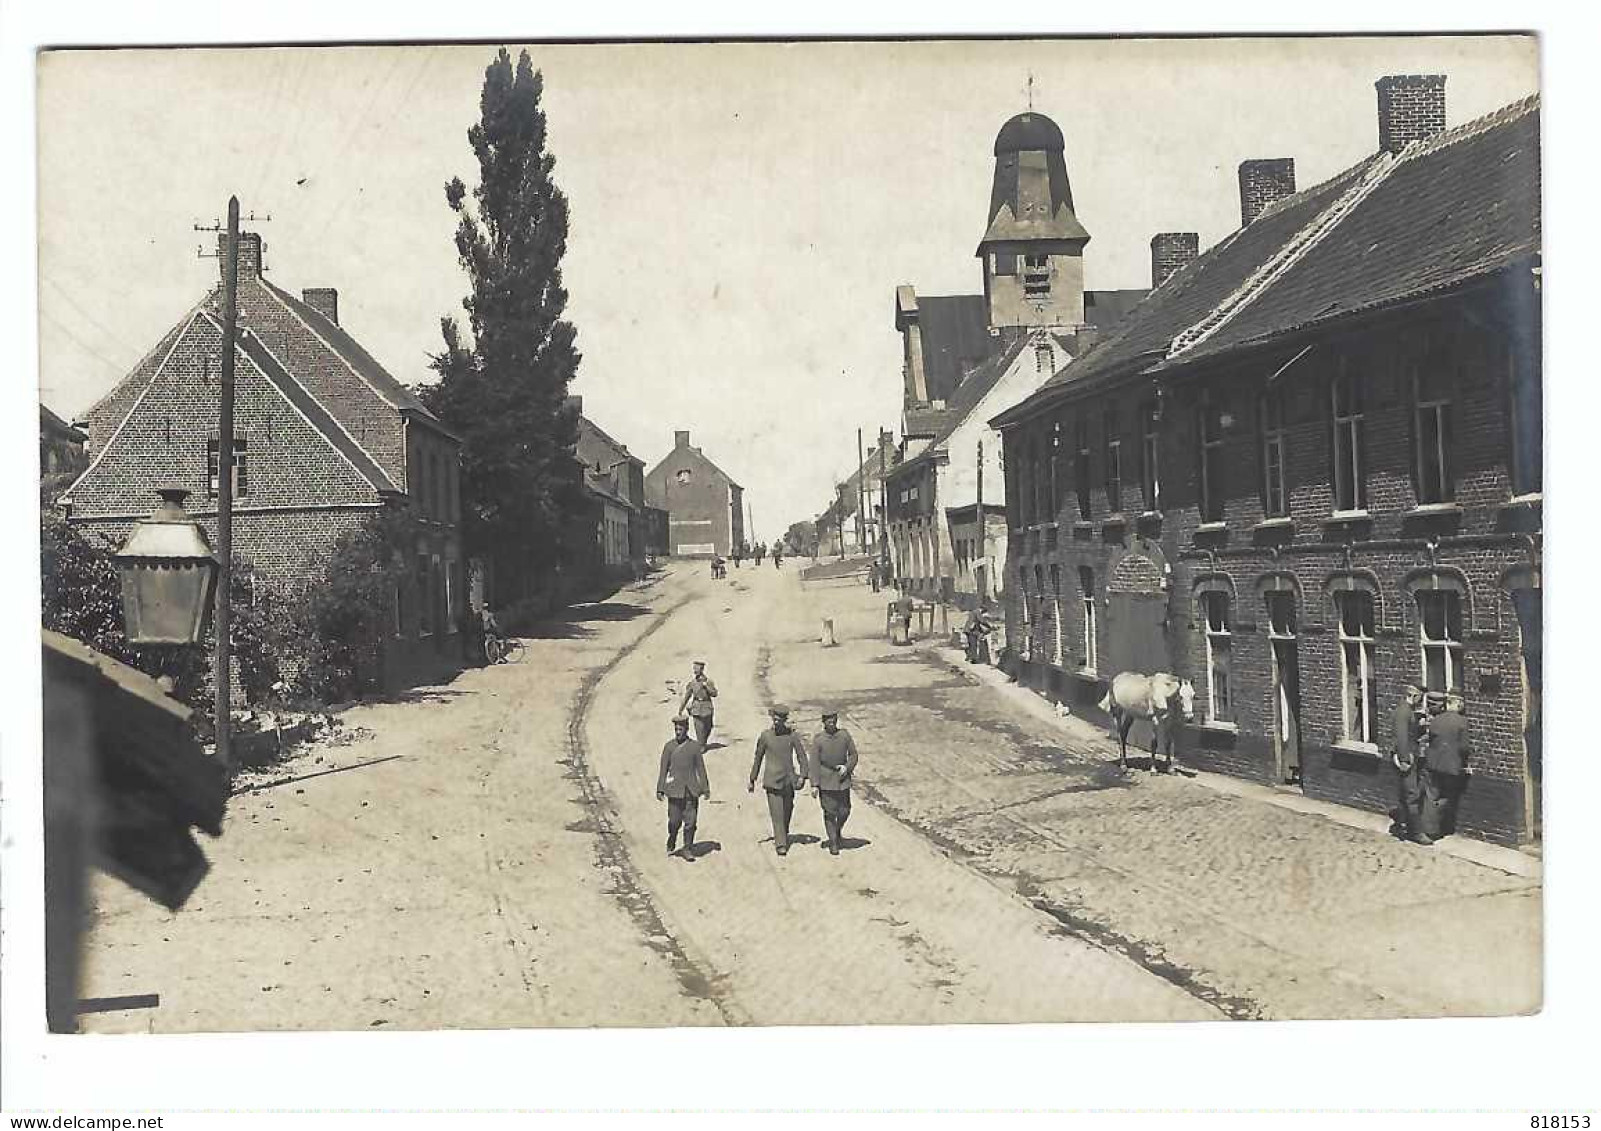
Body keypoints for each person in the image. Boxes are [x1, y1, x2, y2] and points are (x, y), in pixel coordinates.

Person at [747, 703, 809, 856]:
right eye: (774, 719)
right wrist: (752, 779)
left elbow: (802, 757)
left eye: (779, 719)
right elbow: (758, 758)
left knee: (787, 810)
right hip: (772, 781)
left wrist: (803, 776)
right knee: (777, 813)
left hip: (789, 780)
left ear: (784, 720)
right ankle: (780, 844)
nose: (776, 722)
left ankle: (783, 834)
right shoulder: (765, 736)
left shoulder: (792, 736)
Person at [657, 715, 710, 860]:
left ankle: (687, 848)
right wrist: (660, 789)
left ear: (686, 729)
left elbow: (701, 768)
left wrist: (705, 788)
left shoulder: (694, 747)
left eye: (680, 729)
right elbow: (663, 769)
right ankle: (672, 837)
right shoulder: (669, 747)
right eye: (676, 729)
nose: (678, 732)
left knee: (691, 822)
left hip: (691, 790)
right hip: (674, 790)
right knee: (674, 821)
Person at [809, 709, 859, 856]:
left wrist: (847, 767)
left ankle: (837, 831)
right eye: (828, 720)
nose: (831, 723)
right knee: (829, 812)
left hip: (842, 779)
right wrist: (814, 784)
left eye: (833, 720)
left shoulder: (844, 735)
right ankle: (833, 842)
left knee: (845, 810)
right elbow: (814, 763)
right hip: (825, 780)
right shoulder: (819, 740)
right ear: (823, 722)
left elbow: (854, 754)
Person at [1422, 692, 1471, 841]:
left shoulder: (1436, 720)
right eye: (1461, 704)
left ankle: (1428, 829)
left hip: (1432, 764)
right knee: (1447, 796)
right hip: (1451, 766)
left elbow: (1430, 740)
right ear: (1457, 704)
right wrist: (1465, 763)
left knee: (1431, 796)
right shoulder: (1462, 722)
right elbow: (1464, 747)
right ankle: (1442, 827)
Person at [1390, 684, 1428, 843]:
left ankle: (1402, 826)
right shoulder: (1403, 712)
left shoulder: (1408, 711)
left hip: (1410, 756)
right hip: (1407, 759)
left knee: (1405, 794)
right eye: (1421, 698)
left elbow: (1409, 732)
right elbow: (1401, 737)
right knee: (1412, 794)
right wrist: (1405, 759)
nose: (1421, 702)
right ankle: (1416, 833)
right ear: (1414, 695)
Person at [679, 661, 718, 746]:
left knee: (709, 727)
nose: (695, 671)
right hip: (696, 708)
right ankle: (701, 745)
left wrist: (706, 687)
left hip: (707, 707)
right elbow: (687, 696)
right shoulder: (692, 683)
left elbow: (715, 694)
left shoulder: (708, 682)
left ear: (702, 670)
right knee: (699, 729)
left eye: (697, 669)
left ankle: (703, 742)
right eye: (694, 669)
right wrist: (681, 709)